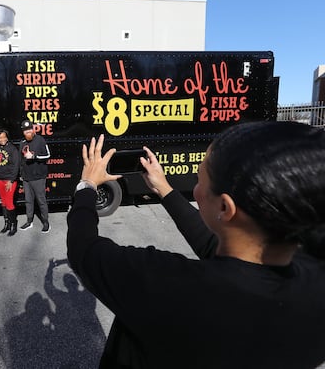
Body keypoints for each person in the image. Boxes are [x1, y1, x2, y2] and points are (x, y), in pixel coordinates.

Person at [67, 121, 325, 369]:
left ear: (225, 207)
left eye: (200, 180)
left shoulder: (165, 284)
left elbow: (83, 248)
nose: (197, 189)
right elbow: (214, 245)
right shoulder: (314, 284)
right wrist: (164, 189)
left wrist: (87, 184)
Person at [19, 120, 51, 233]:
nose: (28, 132)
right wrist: (21, 175)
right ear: (23, 132)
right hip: (26, 178)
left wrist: (34, 156)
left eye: (29, 129)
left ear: (33, 129)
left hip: (38, 177)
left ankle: (46, 222)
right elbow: (21, 161)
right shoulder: (22, 143)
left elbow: (48, 155)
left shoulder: (40, 140)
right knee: (28, 201)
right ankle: (29, 221)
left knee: (41, 200)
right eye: (25, 130)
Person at [0, 128, 20, 236]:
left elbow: (16, 166)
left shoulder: (12, 149)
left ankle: (13, 225)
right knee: (4, 203)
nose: (2, 139)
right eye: (0, 137)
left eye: (4, 136)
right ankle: (6, 224)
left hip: (9, 181)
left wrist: (11, 180)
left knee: (10, 203)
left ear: (7, 137)